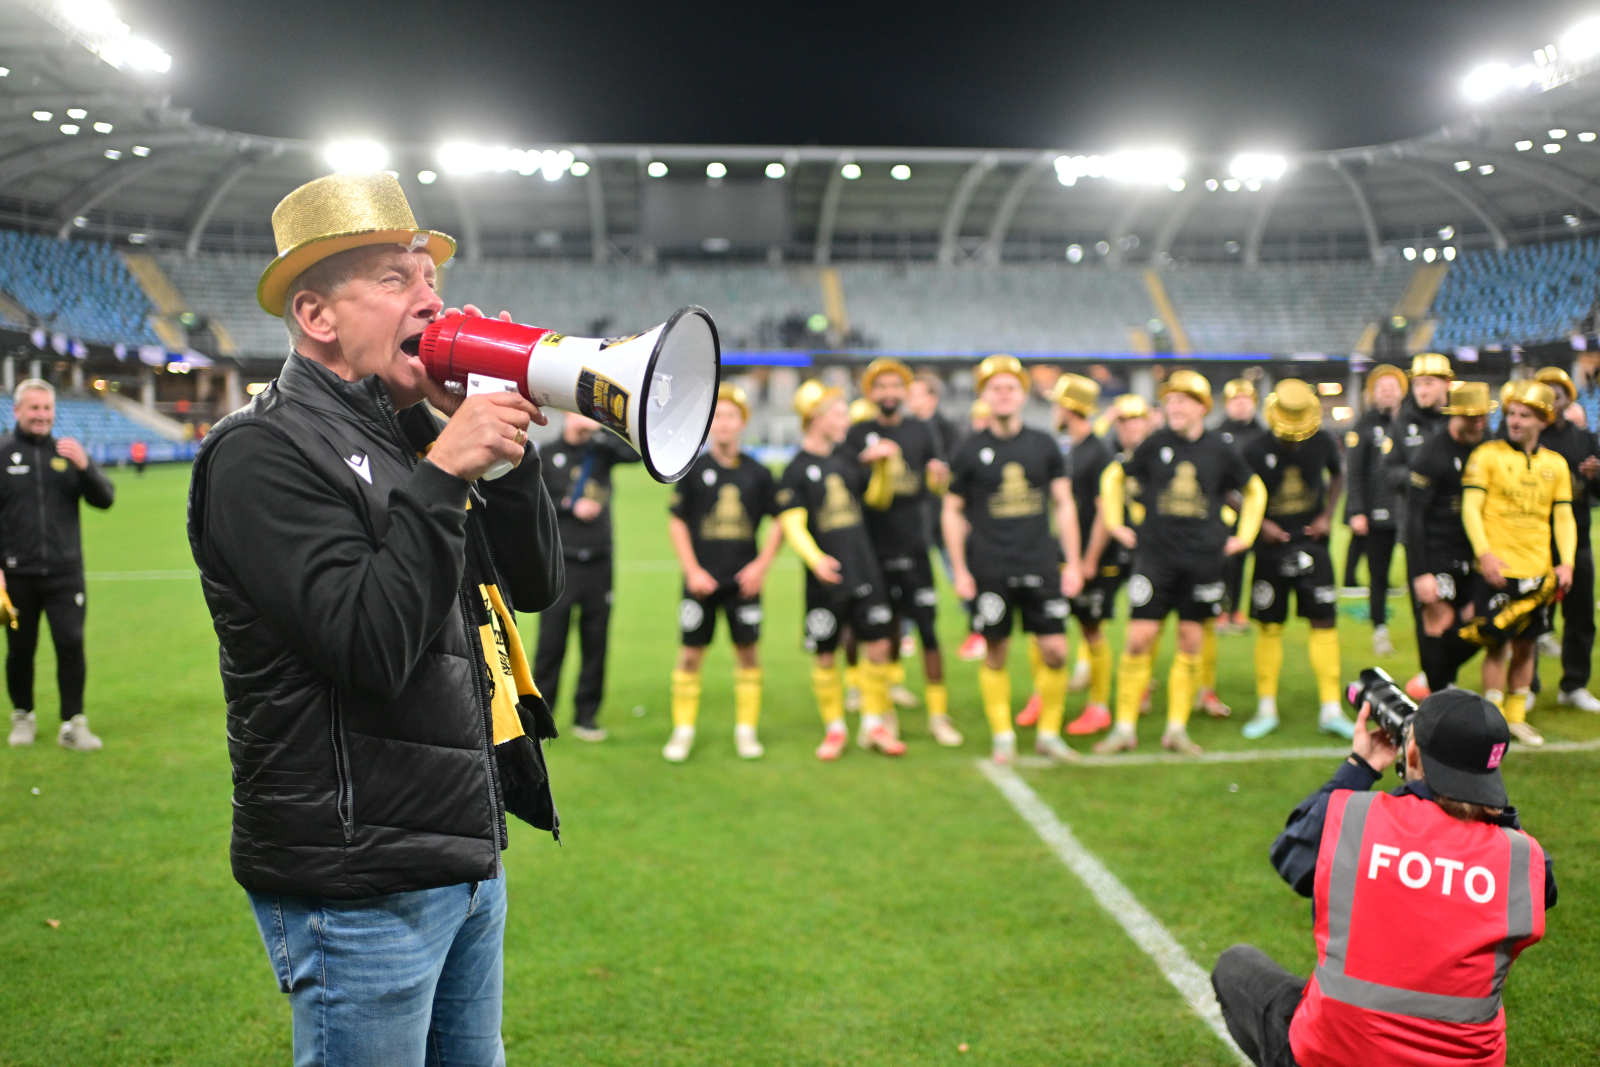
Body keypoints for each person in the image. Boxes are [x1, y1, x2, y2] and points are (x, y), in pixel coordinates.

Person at [186, 172, 564, 1063]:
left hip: (461, 853)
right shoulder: (258, 451)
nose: (430, 301)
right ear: (318, 316)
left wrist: (503, 462)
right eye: (397, 279)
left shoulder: (407, 435)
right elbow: (369, 647)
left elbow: (536, 584)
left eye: (429, 278)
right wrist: (445, 471)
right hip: (355, 879)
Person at [1213, 688, 1553, 1067]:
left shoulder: (1358, 819)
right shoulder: (1524, 859)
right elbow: (1541, 886)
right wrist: (1490, 808)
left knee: (1235, 966)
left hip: (1334, 1055)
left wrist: (1362, 764)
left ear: (1411, 753)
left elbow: (1292, 853)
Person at [1097, 370, 1266, 755]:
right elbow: (1114, 476)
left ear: (1202, 407)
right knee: (1138, 639)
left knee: (1191, 640)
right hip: (1155, 558)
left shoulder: (1221, 449)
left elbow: (1254, 489)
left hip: (1203, 560)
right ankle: (1124, 728)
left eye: (1182, 401)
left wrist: (1246, 535)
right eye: (1169, 400)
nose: (1173, 407)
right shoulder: (1154, 444)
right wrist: (1115, 524)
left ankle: (1176, 728)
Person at [944, 355, 1083, 764]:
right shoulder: (969, 449)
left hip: (1040, 564)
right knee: (995, 650)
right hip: (991, 567)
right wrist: (961, 571)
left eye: (1010, 388)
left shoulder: (1042, 445)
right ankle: (1003, 734)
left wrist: (1072, 562)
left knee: (1056, 650)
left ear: (1022, 395)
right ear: (984, 397)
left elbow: (1064, 504)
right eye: (995, 389)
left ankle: (1048, 734)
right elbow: (951, 510)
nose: (1003, 395)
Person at [776, 380, 905, 760]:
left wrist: (882, 468)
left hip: (864, 568)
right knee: (826, 653)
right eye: (838, 412)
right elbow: (791, 522)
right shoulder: (796, 469)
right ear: (816, 419)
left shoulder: (848, 459)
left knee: (879, 645)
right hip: (824, 579)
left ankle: (872, 724)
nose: (845, 418)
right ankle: (835, 729)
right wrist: (815, 559)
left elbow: (877, 500)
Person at [842, 359, 963, 747]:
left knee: (927, 630)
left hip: (914, 545)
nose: (889, 393)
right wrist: (864, 460)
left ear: (905, 391)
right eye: (882, 387)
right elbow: (844, 480)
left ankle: (938, 716)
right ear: (871, 393)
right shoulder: (859, 433)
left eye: (896, 386)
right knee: (876, 629)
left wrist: (940, 477)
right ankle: (881, 709)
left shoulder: (920, 431)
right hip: (872, 548)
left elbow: (935, 482)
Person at [663, 383, 784, 762]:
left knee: (748, 653)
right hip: (700, 583)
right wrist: (692, 570)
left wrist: (761, 566)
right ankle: (682, 731)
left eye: (730, 416)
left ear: (742, 423)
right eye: (716, 417)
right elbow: (677, 522)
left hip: (743, 584)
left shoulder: (759, 474)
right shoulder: (694, 469)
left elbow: (782, 521)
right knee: (689, 655)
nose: (723, 423)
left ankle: (746, 731)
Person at [1459, 381, 1576, 746]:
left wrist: (1567, 563)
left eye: (1524, 415)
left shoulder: (1555, 464)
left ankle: (1517, 718)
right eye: (1511, 413)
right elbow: (1471, 509)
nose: (1515, 420)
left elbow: (1564, 519)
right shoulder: (1487, 455)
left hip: (1537, 573)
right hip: (1498, 571)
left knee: (1527, 646)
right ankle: (1492, 720)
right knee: (1496, 645)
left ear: (1543, 420)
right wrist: (1485, 553)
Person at [1, 379, 115, 751]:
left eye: (47, 409)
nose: (42, 416)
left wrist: (85, 468)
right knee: (20, 649)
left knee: (71, 644)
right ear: (17, 411)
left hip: (66, 573)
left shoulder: (67, 452)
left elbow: (105, 499)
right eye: (34, 408)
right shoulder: (2, 453)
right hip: (15, 575)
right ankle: (23, 716)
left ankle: (73, 724)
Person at [1238, 380, 1351, 740]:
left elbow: (1338, 474)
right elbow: (1231, 489)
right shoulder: (1253, 447)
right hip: (1270, 549)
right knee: (1269, 626)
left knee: (1324, 621)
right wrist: (1260, 522)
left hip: (1313, 545)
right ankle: (1266, 706)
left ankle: (1331, 709)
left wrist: (1327, 516)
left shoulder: (1322, 439)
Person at [534, 410, 640, 742]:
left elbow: (636, 454)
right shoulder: (548, 453)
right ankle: (542, 717)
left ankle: (587, 717)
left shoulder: (603, 450)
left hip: (599, 561)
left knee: (596, 642)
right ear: (565, 414)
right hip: (562, 561)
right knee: (551, 644)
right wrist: (570, 506)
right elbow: (538, 501)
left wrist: (605, 427)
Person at [1404, 381, 1494, 705]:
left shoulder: (1489, 447)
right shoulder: (1431, 453)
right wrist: (1421, 572)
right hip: (1437, 553)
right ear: (1455, 415)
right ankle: (1438, 698)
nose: (1479, 424)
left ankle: (1434, 680)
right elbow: (1413, 517)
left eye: (1483, 417)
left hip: (1476, 555)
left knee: (1484, 622)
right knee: (1437, 622)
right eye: (1472, 418)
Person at [1049, 374, 1118, 737]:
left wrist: (1089, 559)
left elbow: (1105, 512)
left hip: (1096, 560)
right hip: (1070, 556)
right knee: (1065, 626)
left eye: (1057, 403)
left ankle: (1099, 706)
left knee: (1092, 630)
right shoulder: (1075, 448)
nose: (1054, 411)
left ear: (1069, 407)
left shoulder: (1097, 452)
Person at [1529, 367, 1600, 712]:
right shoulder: (1529, 436)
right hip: (1533, 542)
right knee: (1529, 617)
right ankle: (1525, 684)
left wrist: (1597, 476)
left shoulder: (1584, 438)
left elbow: (1597, 492)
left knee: (1581, 616)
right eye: (1545, 393)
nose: (1551, 401)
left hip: (1578, 539)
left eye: (1556, 394)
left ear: (1568, 398)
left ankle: (1574, 684)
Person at [1342, 364, 1407, 655]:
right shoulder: (1364, 426)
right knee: (1377, 575)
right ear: (1373, 392)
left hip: (1410, 512)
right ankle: (1380, 630)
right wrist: (1357, 510)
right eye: (1381, 386)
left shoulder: (1412, 422)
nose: (1387, 390)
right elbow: (1354, 473)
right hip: (1378, 512)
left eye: (1392, 385)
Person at [1217, 379, 1266, 632]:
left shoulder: (1263, 434)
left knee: (1247, 562)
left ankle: (1238, 609)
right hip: (1224, 510)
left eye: (1246, 401)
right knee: (1223, 562)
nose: (1241, 406)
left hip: (1255, 511)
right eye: (1236, 401)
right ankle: (1220, 609)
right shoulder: (1216, 434)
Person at [955, 397, 994, 664]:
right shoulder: (967, 450)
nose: (980, 423)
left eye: (985, 418)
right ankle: (977, 630)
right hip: (975, 531)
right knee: (974, 581)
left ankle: (984, 631)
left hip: (998, 531)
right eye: (977, 418)